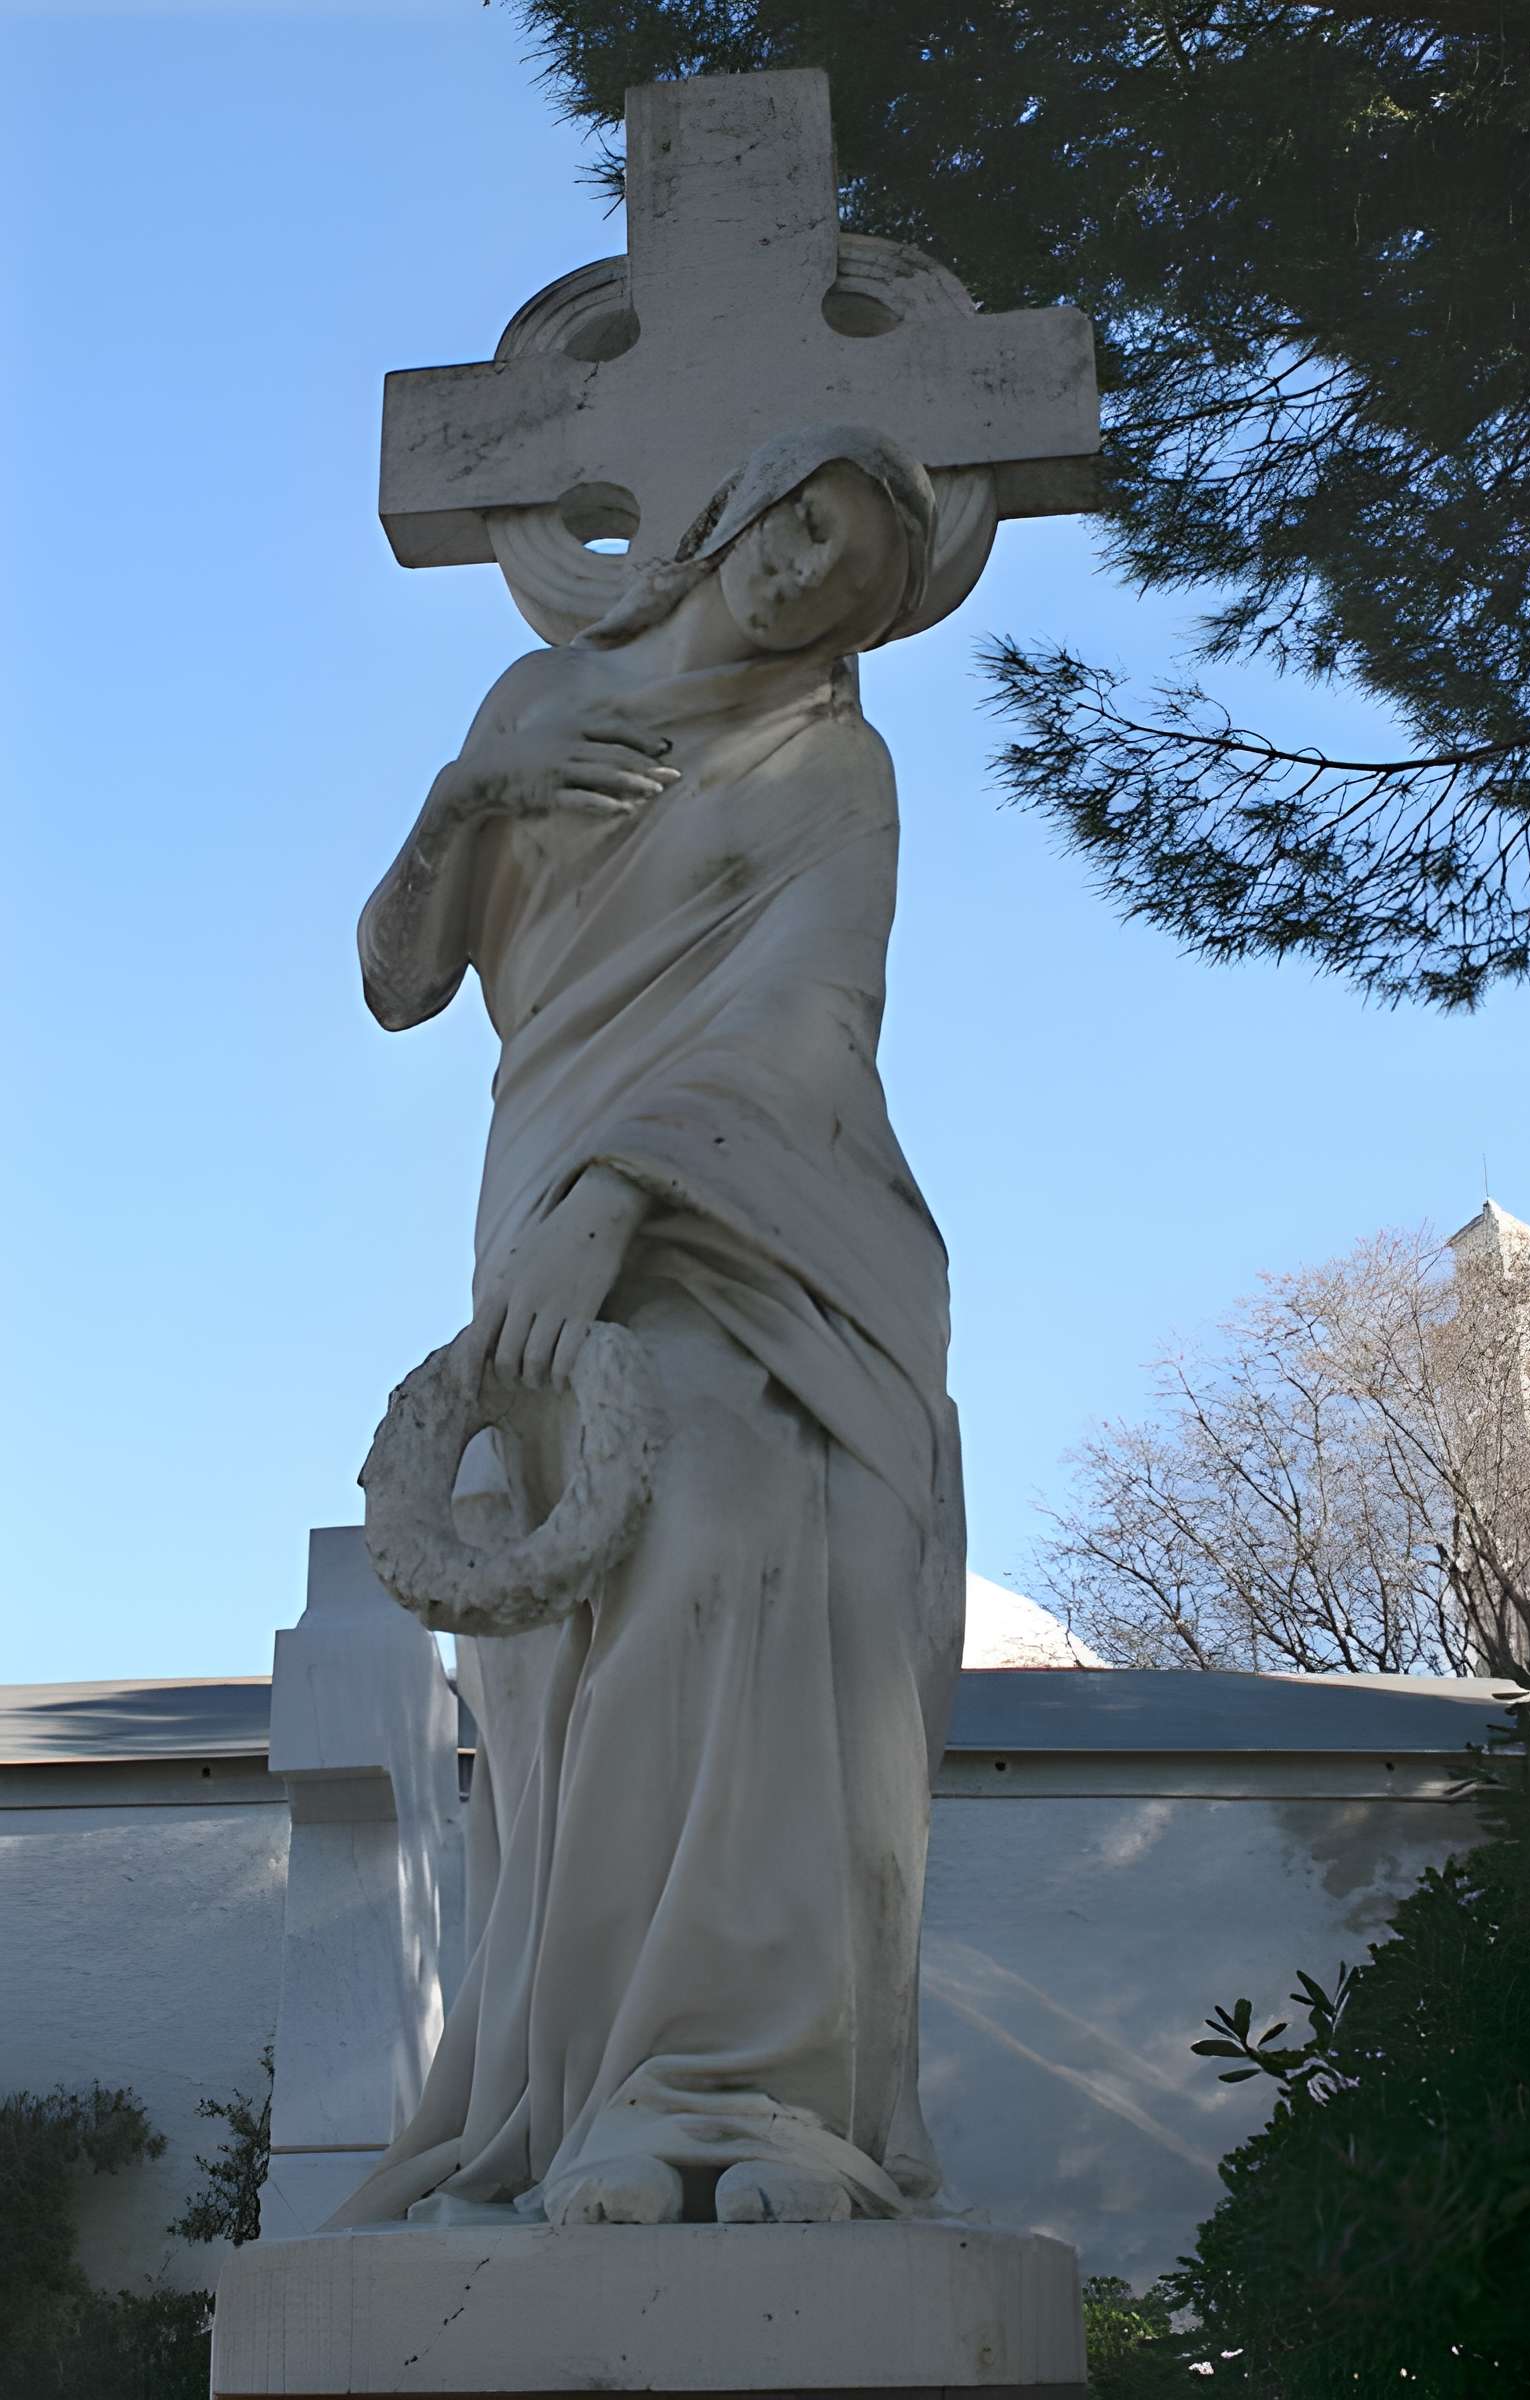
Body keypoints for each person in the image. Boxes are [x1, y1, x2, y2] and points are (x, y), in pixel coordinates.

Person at [337, 424, 965, 2230]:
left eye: (851, 575)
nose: (805, 573)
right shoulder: (539, 697)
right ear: (740, 507)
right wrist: (467, 798)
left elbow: (813, 1010)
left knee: (766, 1544)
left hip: (753, 1220)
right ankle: (593, 2092)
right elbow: (398, 980)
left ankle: (734, 2089)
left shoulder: (836, 765)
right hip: (542, 1208)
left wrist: (625, 1192)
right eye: (802, 525)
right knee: (593, 1633)